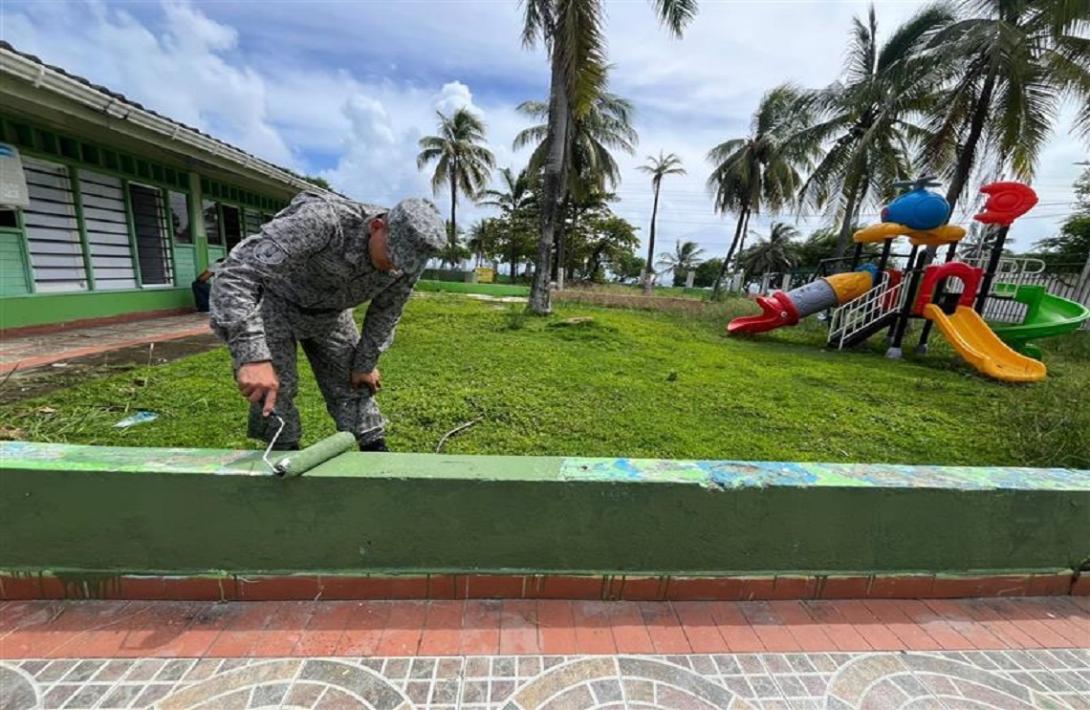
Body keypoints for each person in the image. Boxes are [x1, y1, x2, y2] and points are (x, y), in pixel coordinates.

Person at [209, 191, 445, 452]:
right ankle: (282, 459)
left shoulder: (408, 258)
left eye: (401, 264)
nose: (393, 269)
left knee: (355, 386)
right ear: (378, 227)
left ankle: (376, 455)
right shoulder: (323, 220)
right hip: (275, 302)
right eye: (391, 258)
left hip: (332, 314)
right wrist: (252, 356)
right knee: (275, 391)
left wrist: (365, 363)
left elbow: (387, 311)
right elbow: (236, 275)